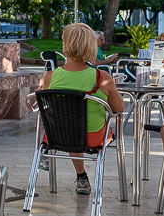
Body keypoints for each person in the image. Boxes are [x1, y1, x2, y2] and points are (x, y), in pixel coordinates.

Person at [39, 23, 125, 196]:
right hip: (93, 138)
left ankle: (81, 176)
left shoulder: (50, 77)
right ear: (91, 46)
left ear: (65, 46)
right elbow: (119, 108)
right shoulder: (102, 77)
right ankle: (83, 178)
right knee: (83, 127)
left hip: (57, 136)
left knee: (71, 125)